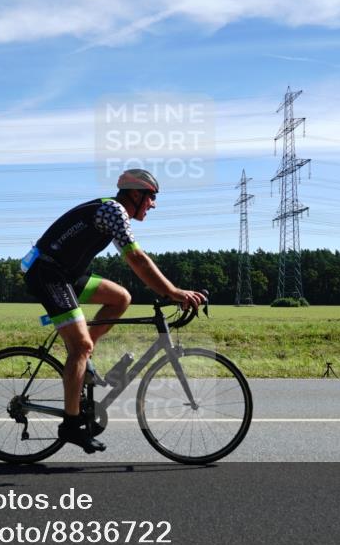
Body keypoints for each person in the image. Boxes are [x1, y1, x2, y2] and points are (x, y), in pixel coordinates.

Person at [22, 169, 205, 453]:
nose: (153, 204)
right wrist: (173, 292)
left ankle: (85, 360)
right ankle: (71, 425)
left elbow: (138, 261)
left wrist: (170, 290)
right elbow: (137, 259)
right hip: (47, 273)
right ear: (136, 193)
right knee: (79, 346)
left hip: (67, 273)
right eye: (151, 197)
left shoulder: (113, 211)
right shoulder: (113, 210)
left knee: (121, 298)